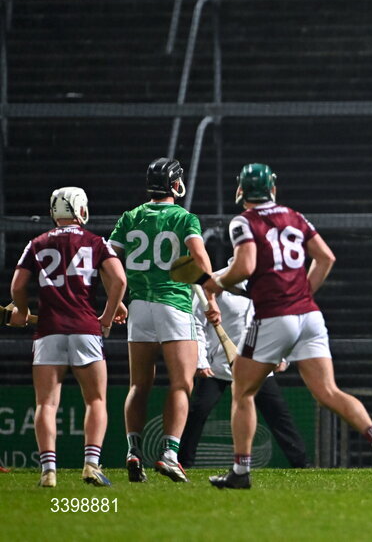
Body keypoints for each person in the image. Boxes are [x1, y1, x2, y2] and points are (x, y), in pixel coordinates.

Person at [204, 164, 372, 489]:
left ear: (241, 191)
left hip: (272, 316)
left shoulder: (244, 221)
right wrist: (303, 293)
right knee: (328, 392)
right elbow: (326, 258)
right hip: (309, 315)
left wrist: (216, 283)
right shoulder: (295, 216)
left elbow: (245, 266)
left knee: (242, 390)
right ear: (273, 189)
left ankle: (240, 472)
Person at [110, 157, 220, 483]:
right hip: (173, 304)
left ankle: (133, 451)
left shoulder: (130, 217)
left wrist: (116, 301)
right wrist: (211, 295)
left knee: (138, 385)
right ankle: (170, 454)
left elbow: (108, 261)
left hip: (140, 306)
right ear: (175, 184)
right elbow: (199, 258)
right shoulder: (185, 218)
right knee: (182, 384)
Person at [10, 187, 127, 487]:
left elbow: (18, 285)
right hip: (86, 330)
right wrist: (108, 314)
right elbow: (120, 280)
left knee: (46, 404)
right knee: (96, 400)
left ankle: (48, 471)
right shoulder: (95, 242)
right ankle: (90, 465)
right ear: (81, 209)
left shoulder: (36, 243)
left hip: (48, 330)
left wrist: (22, 310)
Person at [179, 268, 308, 469]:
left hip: (258, 365)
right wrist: (200, 360)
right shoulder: (215, 282)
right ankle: (182, 464)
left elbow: (279, 321)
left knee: (279, 415)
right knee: (198, 411)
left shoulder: (269, 282)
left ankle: (302, 465)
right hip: (218, 367)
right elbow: (197, 323)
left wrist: (282, 356)